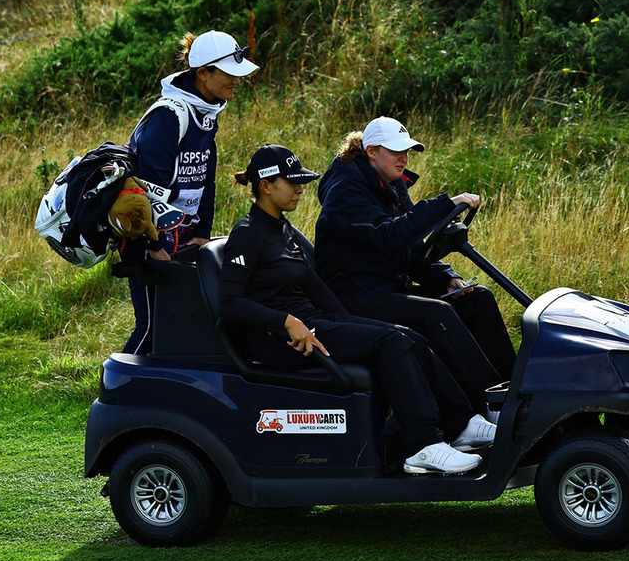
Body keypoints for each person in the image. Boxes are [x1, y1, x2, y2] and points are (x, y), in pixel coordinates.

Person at [218, 144, 497, 474]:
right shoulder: (247, 236)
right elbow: (229, 303)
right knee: (392, 342)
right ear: (265, 186)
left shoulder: (283, 230)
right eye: (291, 183)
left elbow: (314, 285)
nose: (299, 189)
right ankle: (422, 445)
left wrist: (353, 322)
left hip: (313, 324)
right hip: (283, 341)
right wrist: (286, 322)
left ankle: (462, 424)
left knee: (405, 336)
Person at [314, 117, 517, 417]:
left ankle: (513, 395)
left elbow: (410, 250)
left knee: (478, 298)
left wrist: (445, 278)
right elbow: (392, 235)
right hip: (352, 298)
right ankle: (485, 407)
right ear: (371, 151)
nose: (404, 158)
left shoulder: (392, 184)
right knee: (436, 313)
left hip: (387, 289)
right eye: (396, 151)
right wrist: (443, 205)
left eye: (407, 150)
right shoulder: (344, 193)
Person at [120, 30, 259, 354]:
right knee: (152, 324)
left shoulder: (206, 112)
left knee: (179, 322)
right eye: (229, 74)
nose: (236, 81)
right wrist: (156, 245)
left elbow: (205, 179)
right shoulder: (168, 116)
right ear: (203, 73)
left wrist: (202, 233)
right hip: (149, 239)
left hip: (183, 236)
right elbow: (146, 192)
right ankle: (115, 388)